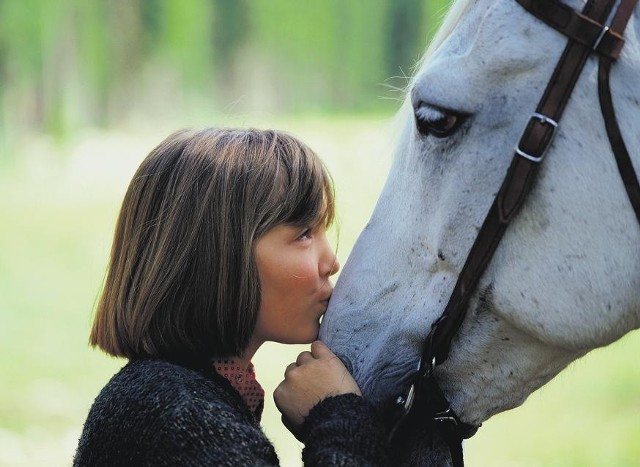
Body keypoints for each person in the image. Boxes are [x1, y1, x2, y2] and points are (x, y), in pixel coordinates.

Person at [73, 128, 389, 466]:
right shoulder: (178, 414)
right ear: (218, 255)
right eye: (303, 233)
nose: (331, 262)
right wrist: (339, 415)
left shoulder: (168, 397)